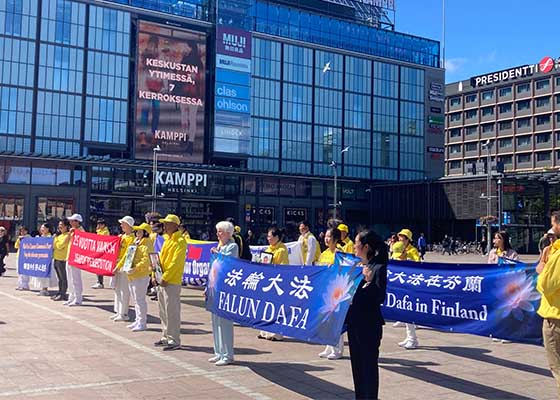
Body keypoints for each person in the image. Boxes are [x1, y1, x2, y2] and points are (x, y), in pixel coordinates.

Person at [346, 230, 388, 399]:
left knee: (368, 367)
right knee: (357, 366)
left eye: (357, 244)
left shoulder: (378, 268)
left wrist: (367, 282)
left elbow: (379, 296)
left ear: (366, 247)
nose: (354, 247)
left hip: (369, 325)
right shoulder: (357, 267)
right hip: (354, 323)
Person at [153, 214, 187, 351]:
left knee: (172, 311)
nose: (165, 226)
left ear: (175, 225)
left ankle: (174, 339)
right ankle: (165, 336)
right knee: (163, 310)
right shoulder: (168, 239)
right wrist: (154, 274)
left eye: (167, 223)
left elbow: (175, 263)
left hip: (171, 281)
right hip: (163, 280)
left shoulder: (180, 241)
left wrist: (165, 277)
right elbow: (160, 259)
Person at [208, 220, 239, 366]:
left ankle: (227, 354)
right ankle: (218, 352)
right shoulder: (219, 246)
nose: (218, 234)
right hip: (215, 287)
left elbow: (227, 263)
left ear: (228, 233)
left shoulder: (232, 246)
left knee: (224, 322)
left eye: (220, 231)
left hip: (226, 288)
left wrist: (218, 253)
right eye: (217, 231)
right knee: (215, 321)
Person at [537, 211, 560, 395]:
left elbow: (546, 285)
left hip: (556, 317)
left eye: (553, 226)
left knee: (557, 367)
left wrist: (543, 266)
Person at [317, 227, 345, 360]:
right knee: (327, 320)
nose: (326, 239)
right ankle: (329, 346)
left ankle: (338, 349)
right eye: (326, 236)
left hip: (337, 290)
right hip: (325, 289)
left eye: (329, 236)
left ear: (336, 239)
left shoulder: (339, 253)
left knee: (336, 320)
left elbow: (342, 272)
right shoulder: (325, 253)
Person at [258, 227, 289, 341]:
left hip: (277, 281)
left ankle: (276, 333)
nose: (268, 239)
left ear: (277, 237)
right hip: (268, 280)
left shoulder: (282, 250)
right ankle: (264, 331)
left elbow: (283, 266)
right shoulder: (268, 249)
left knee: (276, 307)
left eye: (270, 236)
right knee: (266, 306)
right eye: (268, 236)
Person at [396, 228, 421, 350]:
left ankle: (413, 339)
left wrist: (408, 258)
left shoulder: (412, 250)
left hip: (410, 284)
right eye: (400, 236)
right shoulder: (398, 248)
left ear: (408, 240)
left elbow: (418, 263)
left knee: (409, 311)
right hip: (401, 284)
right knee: (404, 311)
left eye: (403, 237)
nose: (400, 239)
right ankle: (409, 337)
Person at [126, 222, 154, 332]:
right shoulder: (136, 242)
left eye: (139, 231)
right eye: (136, 231)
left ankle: (142, 322)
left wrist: (135, 268)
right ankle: (138, 320)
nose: (137, 233)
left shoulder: (147, 244)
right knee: (136, 300)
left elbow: (146, 261)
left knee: (140, 300)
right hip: (133, 275)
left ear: (145, 233)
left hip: (141, 275)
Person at [111, 216, 135, 322]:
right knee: (117, 288)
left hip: (125, 265)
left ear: (129, 225)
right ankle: (118, 311)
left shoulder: (132, 239)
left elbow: (128, 255)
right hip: (118, 264)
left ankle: (124, 313)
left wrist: (121, 265)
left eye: (123, 224)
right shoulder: (122, 237)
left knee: (124, 290)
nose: (121, 226)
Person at [64, 214, 85, 306]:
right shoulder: (71, 231)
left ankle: (78, 298)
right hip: (69, 256)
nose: (70, 222)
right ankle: (71, 297)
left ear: (77, 222)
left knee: (76, 278)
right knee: (69, 278)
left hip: (76, 257)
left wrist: (75, 232)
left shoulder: (81, 231)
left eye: (73, 221)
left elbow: (82, 242)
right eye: (70, 221)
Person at [34, 223, 56, 296]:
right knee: (40, 275)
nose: (42, 229)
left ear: (48, 229)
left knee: (46, 274)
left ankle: (45, 289)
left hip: (47, 259)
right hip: (40, 258)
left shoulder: (50, 237)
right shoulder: (39, 237)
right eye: (41, 228)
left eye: (43, 228)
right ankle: (42, 288)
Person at [52, 219, 71, 301]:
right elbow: (54, 246)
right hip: (56, 258)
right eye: (59, 225)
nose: (60, 227)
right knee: (59, 278)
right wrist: (56, 241)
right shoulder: (59, 236)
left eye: (62, 225)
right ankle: (59, 292)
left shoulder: (67, 235)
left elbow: (60, 246)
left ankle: (63, 293)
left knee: (63, 278)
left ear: (66, 226)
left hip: (62, 259)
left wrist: (55, 241)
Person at [92, 219, 110, 289]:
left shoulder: (105, 232)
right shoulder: (100, 231)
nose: (98, 226)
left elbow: (101, 240)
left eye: (99, 224)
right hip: (98, 251)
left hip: (102, 252)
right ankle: (99, 281)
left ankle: (100, 282)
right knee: (97, 267)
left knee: (99, 267)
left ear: (103, 225)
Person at [15, 226, 31, 290]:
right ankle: (20, 284)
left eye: (24, 231)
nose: (22, 232)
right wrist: (19, 239)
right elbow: (16, 246)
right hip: (19, 255)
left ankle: (25, 285)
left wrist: (24, 238)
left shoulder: (29, 237)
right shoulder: (20, 238)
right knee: (19, 271)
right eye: (21, 231)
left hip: (26, 256)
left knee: (24, 271)